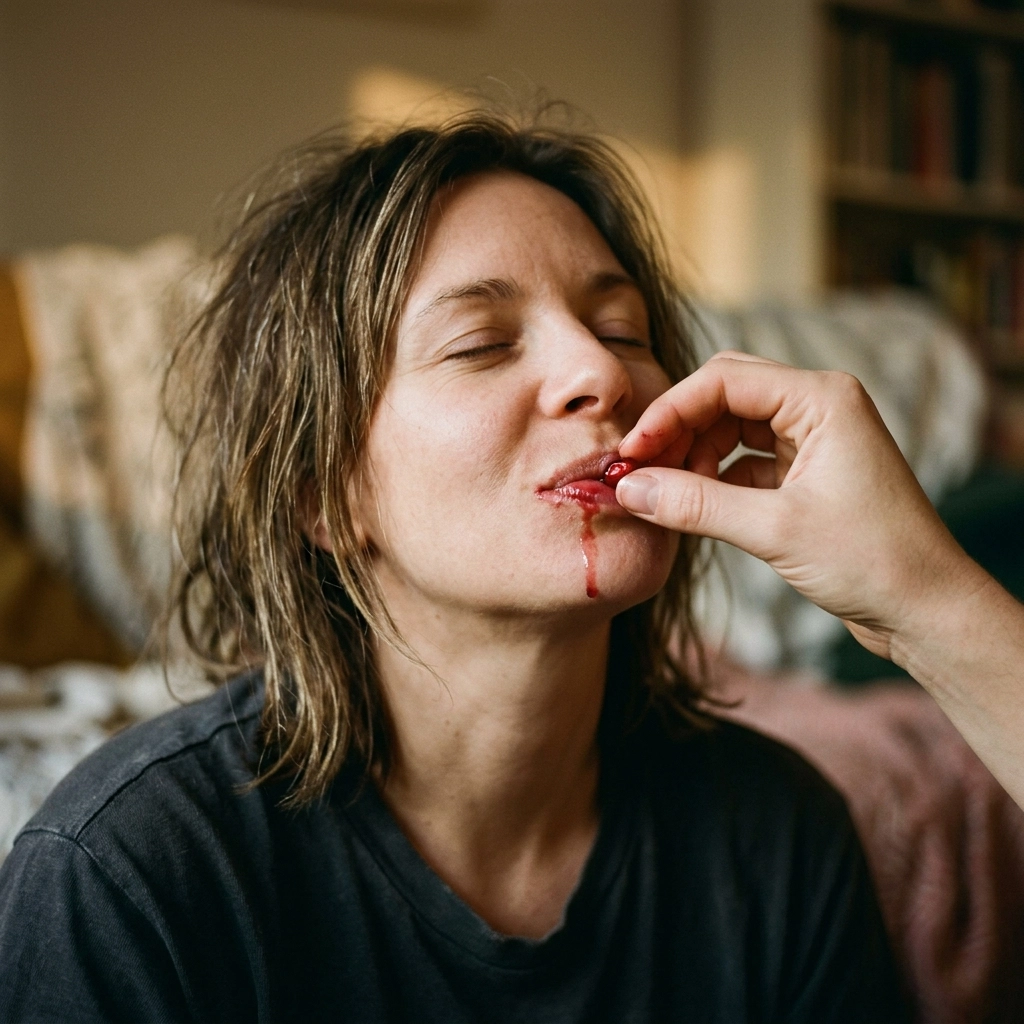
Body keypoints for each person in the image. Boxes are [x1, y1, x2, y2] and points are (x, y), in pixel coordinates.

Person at [0, 113, 907, 1022]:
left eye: (623, 329)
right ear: (323, 493)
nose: (601, 369)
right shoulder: (125, 877)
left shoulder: (782, 834)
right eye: (481, 342)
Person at [613, 351, 1024, 813]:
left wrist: (921, 602)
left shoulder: (793, 824)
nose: (600, 369)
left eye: (618, 333)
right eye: (508, 343)